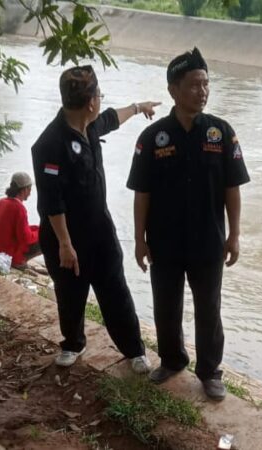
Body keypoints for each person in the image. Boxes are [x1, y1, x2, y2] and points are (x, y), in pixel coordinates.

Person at [127, 48, 250, 400]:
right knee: (166, 306)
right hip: (164, 242)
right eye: (194, 84)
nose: (202, 91)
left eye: (206, 83)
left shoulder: (220, 133)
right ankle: (172, 359)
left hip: (209, 242)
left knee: (208, 309)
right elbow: (142, 194)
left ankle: (210, 371)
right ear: (173, 90)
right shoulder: (153, 138)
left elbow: (232, 189)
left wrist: (235, 235)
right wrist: (139, 239)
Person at [31, 65, 161, 373]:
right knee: (70, 291)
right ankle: (73, 343)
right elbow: (52, 200)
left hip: (99, 231)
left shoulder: (89, 126)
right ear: (91, 101)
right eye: (99, 95)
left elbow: (112, 119)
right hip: (65, 236)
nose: (101, 101)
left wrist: (138, 107)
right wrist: (64, 244)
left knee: (114, 289)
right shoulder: (49, 143)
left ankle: (134, 351)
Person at [0, 172, 41, 271]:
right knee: (47, 236)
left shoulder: (2, 202)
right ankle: (20, 262)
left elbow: (14, 228)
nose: (30, 193)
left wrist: (36, 229)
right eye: (29, 189)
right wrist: (40, 232)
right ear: (24, 189)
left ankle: (20, 261)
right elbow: (26, 238)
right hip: (10, 255)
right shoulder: (19, 207)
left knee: (37, 230)